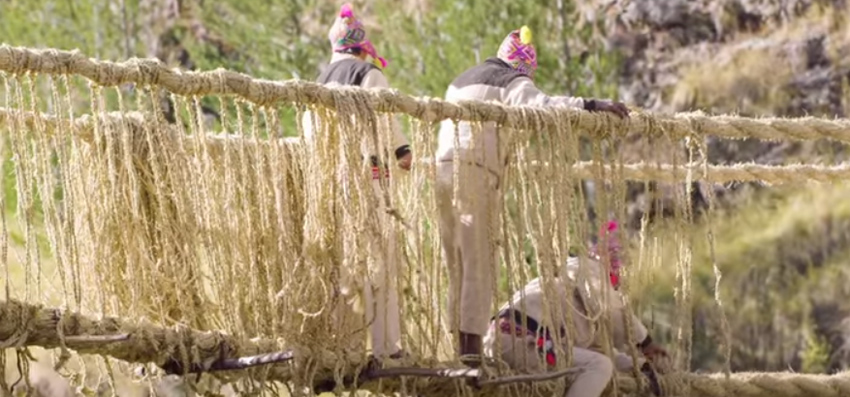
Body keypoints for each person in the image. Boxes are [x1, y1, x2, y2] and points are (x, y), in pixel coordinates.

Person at [434, 25, 630, 365]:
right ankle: (470, 356)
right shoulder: (511, 80)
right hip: (476, 174)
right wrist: (592, 104)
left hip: (442, 172)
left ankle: (456, 346)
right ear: (522, 66)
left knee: (457, 265)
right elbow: (546, 107)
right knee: (478, 263)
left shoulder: (461, 79)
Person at [303, 2, 412, 360]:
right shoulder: (367, 75)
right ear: (362, 47)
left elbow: (309, 132)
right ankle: (387, 348)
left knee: (346, 263)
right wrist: (402, 152)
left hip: (332, 180)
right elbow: (383, 119)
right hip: (368, 175)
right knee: (380, 259)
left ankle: (348, 348)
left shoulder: (319, 81)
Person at [482, 220, 666, 397]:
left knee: (599, 362)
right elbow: (612, 310)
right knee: (599, 367)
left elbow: (598, 351)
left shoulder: (576, 301)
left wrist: (640, 366)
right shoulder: (587, 269)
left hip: (511, 342)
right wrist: (645, 341)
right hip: (524, 341)